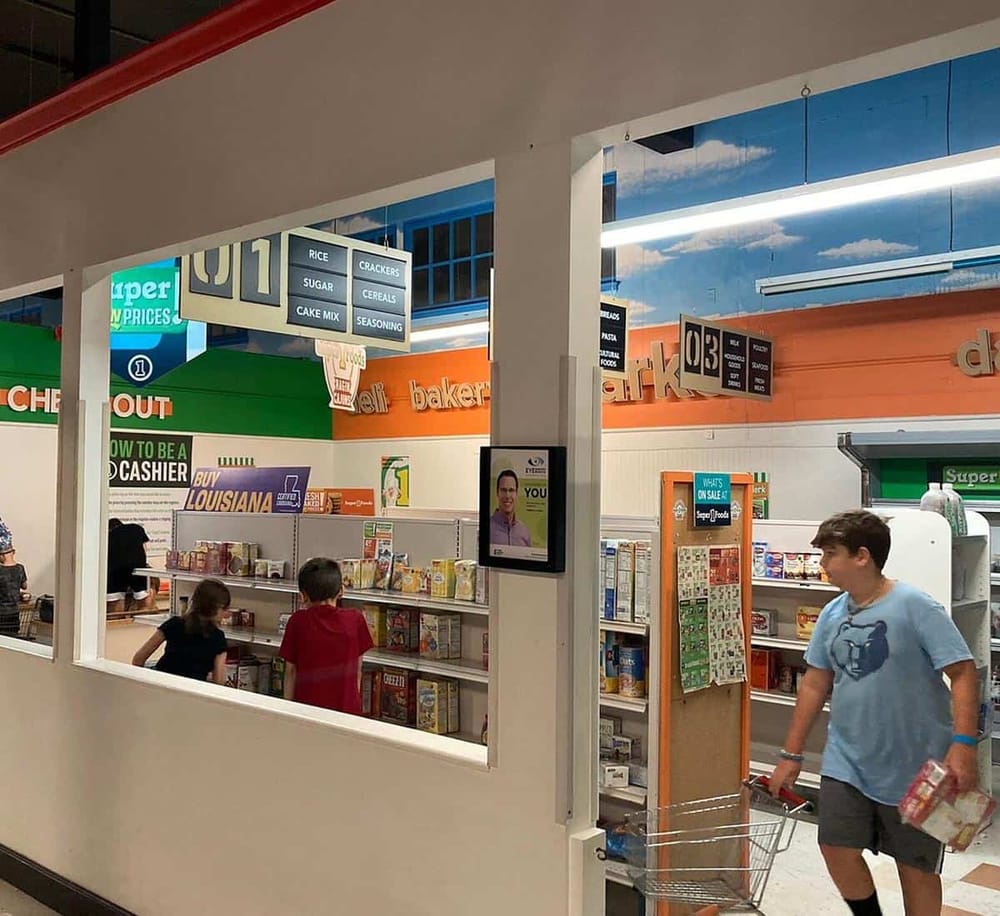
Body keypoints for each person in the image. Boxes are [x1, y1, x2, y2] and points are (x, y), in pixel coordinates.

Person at [769, 510, 978, 916]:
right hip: (847, 760)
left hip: (917, 764)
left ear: (862, 556)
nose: (824, 564)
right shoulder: (831, 614)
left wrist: (964, 744)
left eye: (831, 554)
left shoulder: (916, 606)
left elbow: (963, 671)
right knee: (834, 846)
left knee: (915, 869)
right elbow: (814, 684)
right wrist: (790, 755)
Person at [278, 557, 373, 713]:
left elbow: (291, 672)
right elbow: (357, 670)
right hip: (347, 711)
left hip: (306, 710)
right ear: (341, 590)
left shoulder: (297, 621)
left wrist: (287, 710)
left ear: (302, 596)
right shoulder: (355, 619)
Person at [131, 578, 230, 683]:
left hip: (162, 683)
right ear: (214, 608)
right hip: (191, 689)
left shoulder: (174, 623)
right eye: (224, 608)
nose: (226, 614)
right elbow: (219, 681)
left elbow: (138, 659)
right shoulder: (217, 638)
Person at [107, 518, 155, 614]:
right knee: (144, 600)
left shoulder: (108, 535)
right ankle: (144, 619)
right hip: (137, 568)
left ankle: (118, 621)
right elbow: (144, 549)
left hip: (115, 570)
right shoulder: (136, 528)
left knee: (115, 604)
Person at [489, 469, 532, 548]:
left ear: (516, 494)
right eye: (503, 490)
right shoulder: (487, 529)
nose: (507, 495)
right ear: (497, 493)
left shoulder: (524, 531)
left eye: (511, 490)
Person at [0, 519, 28, 636]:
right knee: (12, 637)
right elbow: (24, 586)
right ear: (14, 552)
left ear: (1, 556)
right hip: (14, 614)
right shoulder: (20, 568)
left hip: (1, 614)